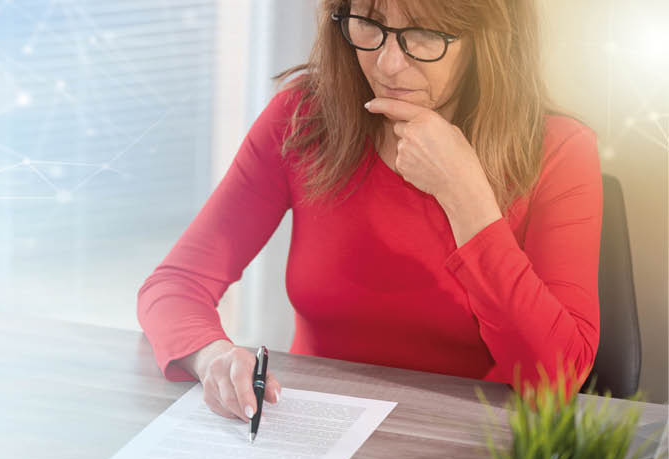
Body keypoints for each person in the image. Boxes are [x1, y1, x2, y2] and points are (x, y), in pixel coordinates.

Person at [137, 0, 601, 422]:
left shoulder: (559, 151)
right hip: (318, 428)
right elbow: (176, 284)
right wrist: (210, 354)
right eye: (369, 24)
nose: (389, 64)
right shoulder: (302, 118)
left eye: (423, 35)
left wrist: (467, 197)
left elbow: (555, 378)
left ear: (489, 38)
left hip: (473, 442)